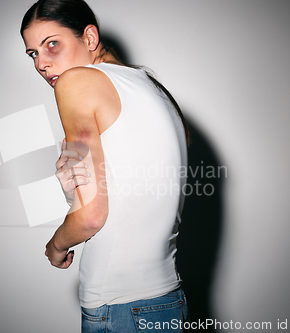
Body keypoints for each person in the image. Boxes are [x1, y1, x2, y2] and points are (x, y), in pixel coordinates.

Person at [21, 0, 190, 331]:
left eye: (51, 44)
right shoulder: (152, 88)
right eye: (32, 54)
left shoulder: (77, 82)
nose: (41, 63)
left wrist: (55, 246)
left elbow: (90, 216)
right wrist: (72, 189)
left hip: (120, 308)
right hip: (167, 299)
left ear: (89, 37)